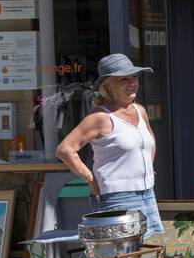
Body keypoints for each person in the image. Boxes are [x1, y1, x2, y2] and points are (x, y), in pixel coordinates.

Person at [57, 53, 163, 235]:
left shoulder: (140, 111)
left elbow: (149, 144)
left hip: (147, 192)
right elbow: (65, 149)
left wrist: (147, 169)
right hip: (117, 196)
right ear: (107, 85)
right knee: (124, 257)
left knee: (150, 251)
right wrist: (90, 179)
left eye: (134, 77)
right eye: (123, 79)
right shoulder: (100, 117)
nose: (132, 83)